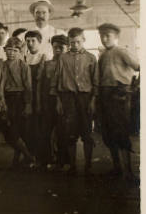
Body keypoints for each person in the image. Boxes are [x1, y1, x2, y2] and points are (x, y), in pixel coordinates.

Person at [52, 27, 98, 176]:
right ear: (69, 42)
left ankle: (88, 165)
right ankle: (72, 165)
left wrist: (93, 101)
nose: (75, 45)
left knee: (87, 133)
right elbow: (57, 80)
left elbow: (95, 81)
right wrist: (59, 101)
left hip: (85, 98)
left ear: (83, 40)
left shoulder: (91, 58)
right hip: (68, 98)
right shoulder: (63, 58)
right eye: (72, 42)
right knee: (69, 133)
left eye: (78, 42)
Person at [97, 23, 140, 183]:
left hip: (119, 94)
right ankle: (117, 168)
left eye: (107, 35)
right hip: (104, 95)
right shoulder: (103, 55)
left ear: (116, 37)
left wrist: (132, 87)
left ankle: (128, 172)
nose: (104, 38)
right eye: (102, 35)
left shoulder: (121, 51)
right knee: (108, 134)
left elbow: (139, 67)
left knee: (121, 132)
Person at [0, 37, 36, 168]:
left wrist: (28, 104)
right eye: (9, 50)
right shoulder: (2, 65)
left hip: (19, 99)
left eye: (15, 50)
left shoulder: (23, 66)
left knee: (17, 130)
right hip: (5, 98)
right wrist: (2, 100)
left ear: (20, 51)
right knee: (7, 130)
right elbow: (0, 85)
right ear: (4, 50)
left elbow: (28, 87)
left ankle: (25, 156)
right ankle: (27, 155)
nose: (11, 53)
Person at [39, 35, 69, 170]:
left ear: (67, 48)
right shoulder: (47, 64)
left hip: (64, 101)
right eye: (55, 47)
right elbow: (41, 84)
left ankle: (63, 160)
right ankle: (47, 159)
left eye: (61, 47)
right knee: (45, 130)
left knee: (63, 131)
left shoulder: (69, 65)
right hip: (48, 100)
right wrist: (40, 102)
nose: (57, 50)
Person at [24, 30, 46, 166]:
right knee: (28, 128)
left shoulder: (44, 57)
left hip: (41, 97)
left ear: (39, 42)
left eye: (33, 41)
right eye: (28, 41)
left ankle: (42, 158)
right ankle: (30, 156)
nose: (30, 44)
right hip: (27, 97)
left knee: (41, 128)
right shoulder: (24, 58)